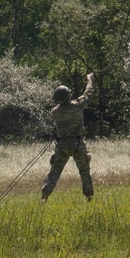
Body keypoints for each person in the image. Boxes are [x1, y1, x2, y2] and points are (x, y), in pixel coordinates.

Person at [41, 73, 95, 203]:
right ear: (68, 96)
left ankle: (44, 196)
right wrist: (90, 79)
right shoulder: (78, 106)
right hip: (77, 144)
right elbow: (89, 93)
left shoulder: (55, 112)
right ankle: (89, 197)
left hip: (62, 145)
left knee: (54, 173)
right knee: (84, 171)